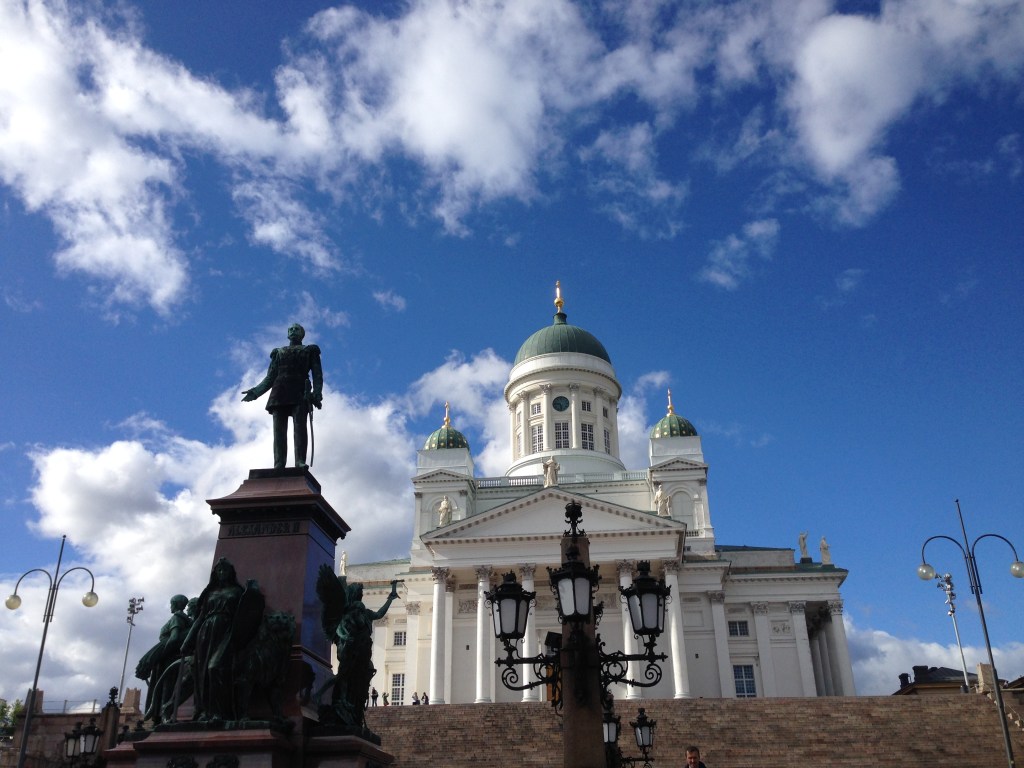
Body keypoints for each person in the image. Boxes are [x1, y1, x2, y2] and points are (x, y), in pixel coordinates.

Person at [242, 323, 323, 470]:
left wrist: (316, 394)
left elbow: (317, 375)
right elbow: (270, 377)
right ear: (287, 334)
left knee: (300, 428)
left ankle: (299, 461)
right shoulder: (279, 353)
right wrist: (255, 392)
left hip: (300, 391)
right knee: (279, 431)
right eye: (291, 329)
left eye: (296, 329)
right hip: (279, 391)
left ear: (302, 334)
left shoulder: (309, 350)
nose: (293, 331)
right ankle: (279, 463)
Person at [135, 595, 192, 723]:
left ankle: (162, 716)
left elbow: (174, 638)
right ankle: (161, 716)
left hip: (167, 658)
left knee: (165, 686)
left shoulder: (177, 618)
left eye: (172, 603)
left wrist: (160, 654)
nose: (171, 606)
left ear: (176, 604)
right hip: (171, 656)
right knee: (165, 687)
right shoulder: (185, 619)